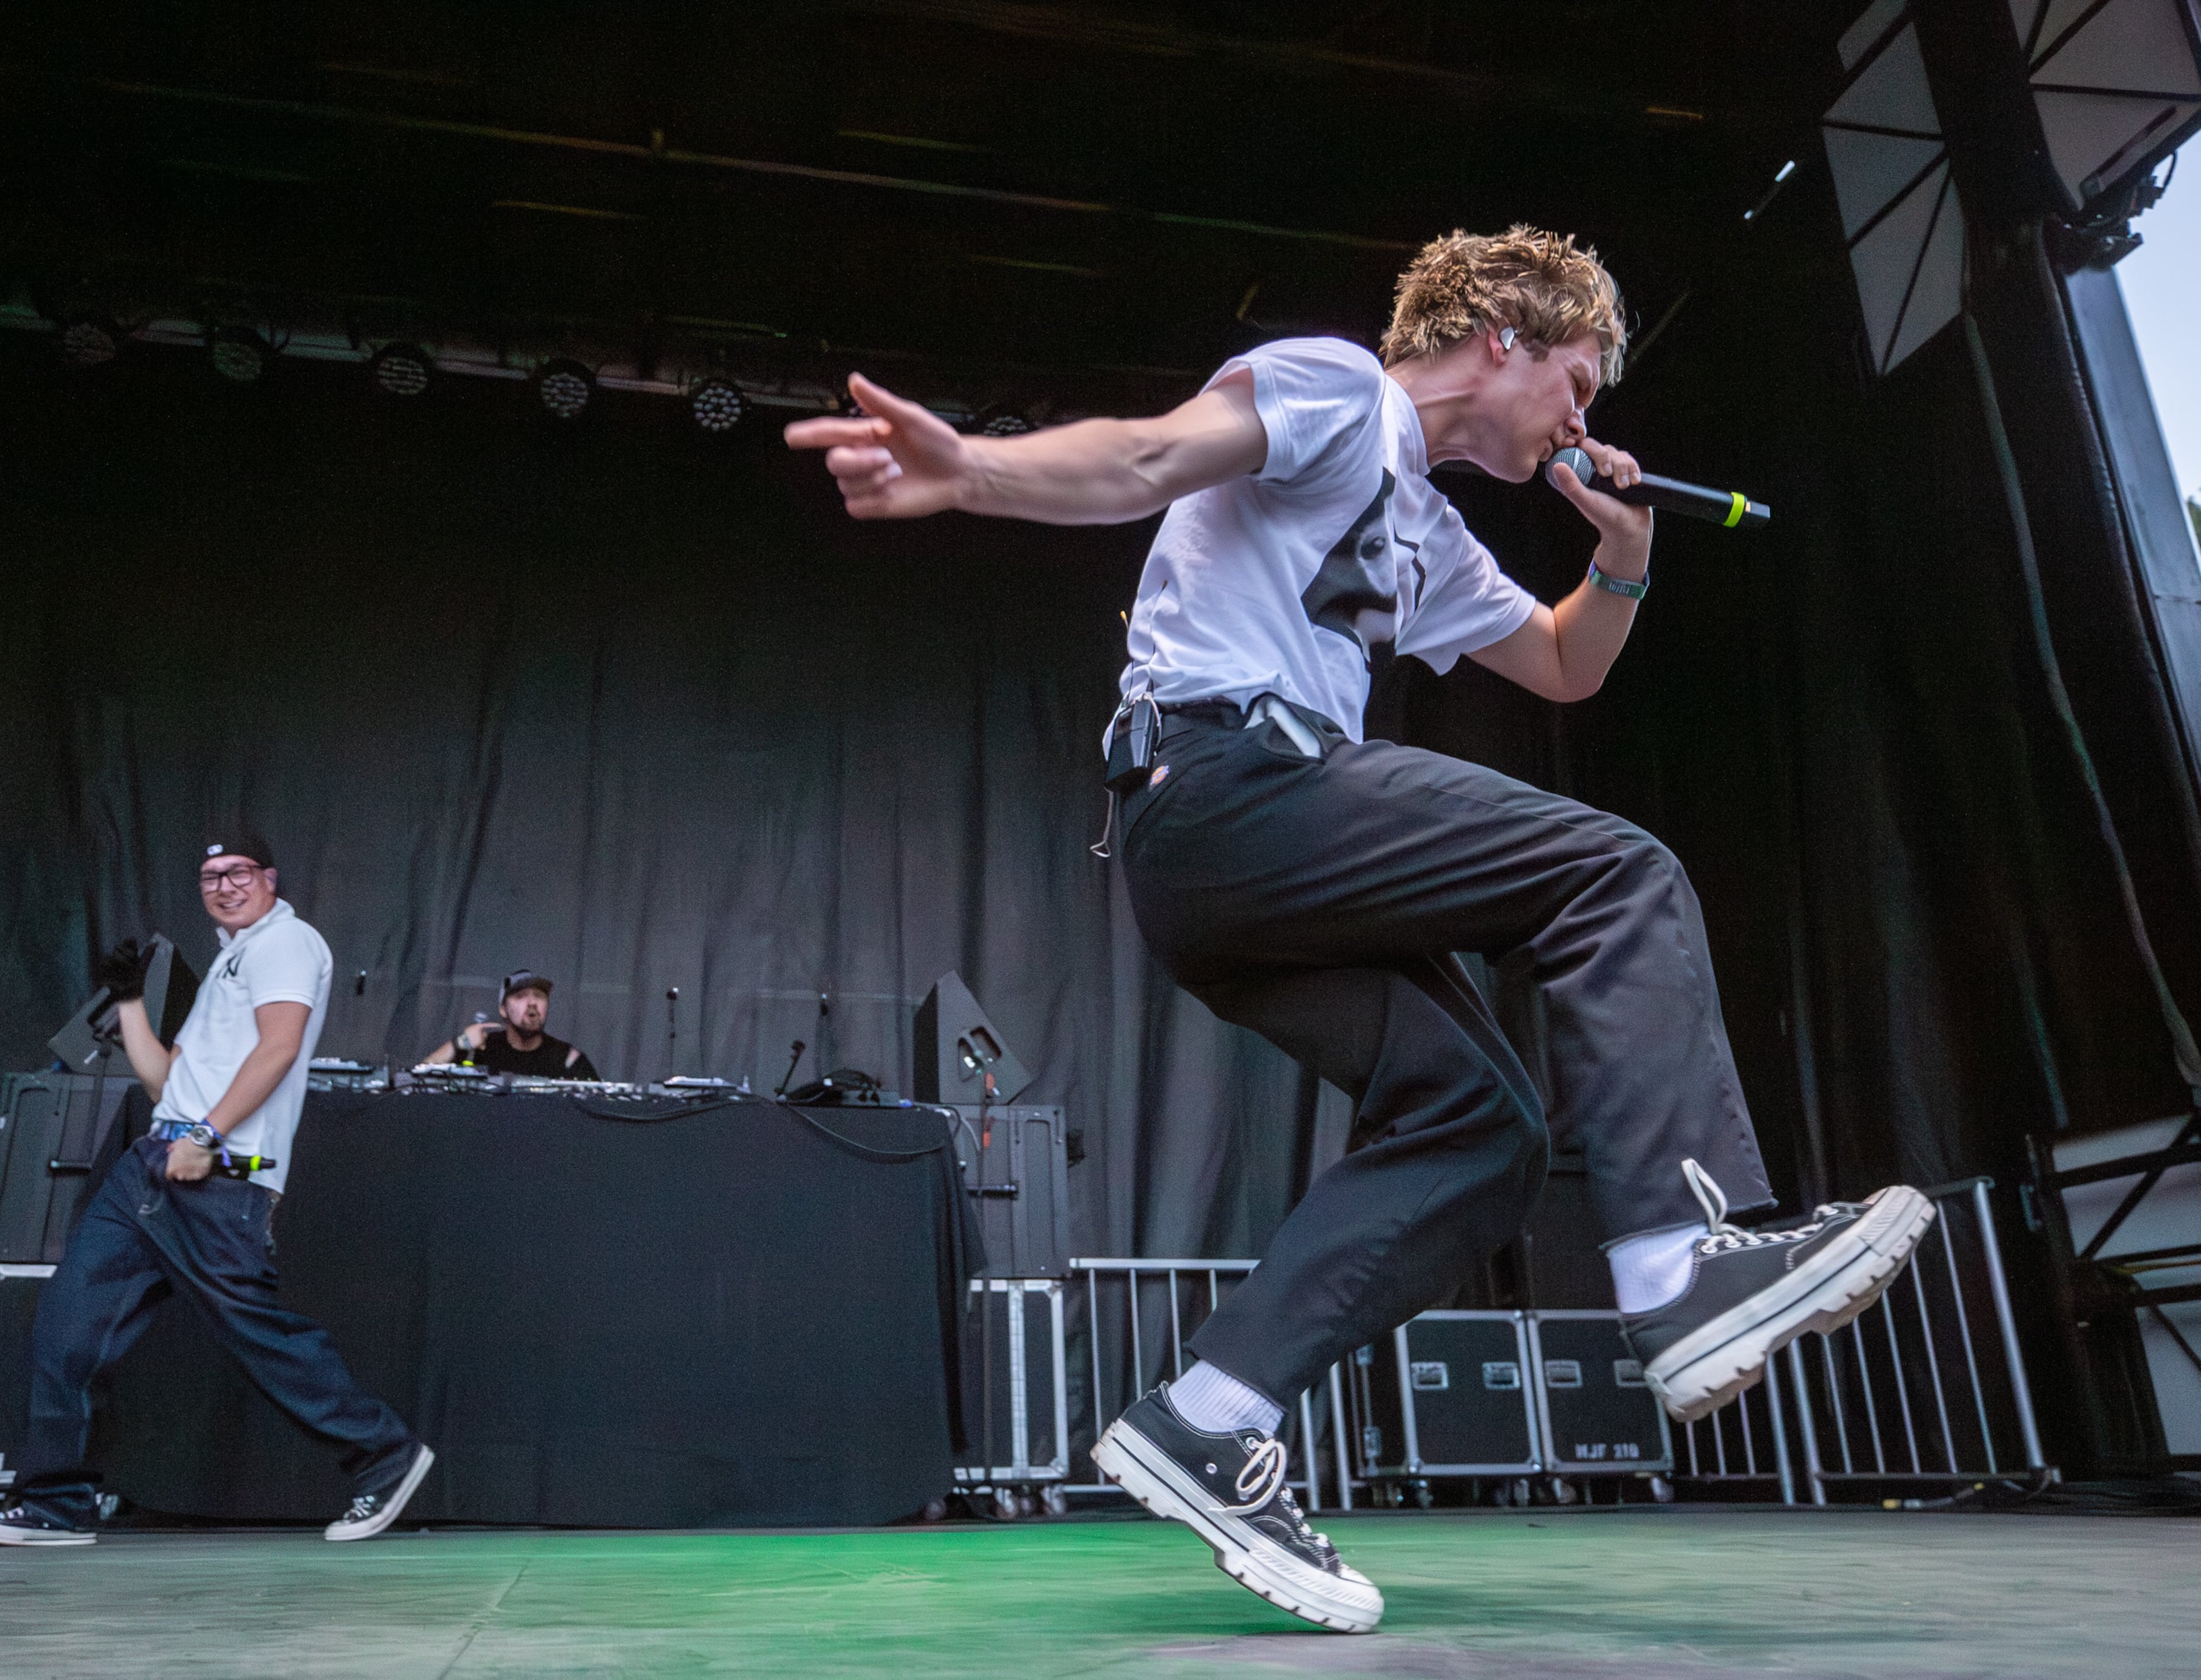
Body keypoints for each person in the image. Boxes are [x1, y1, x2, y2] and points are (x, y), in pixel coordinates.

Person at [788, 226, 1934, 1632]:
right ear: (1500, 336)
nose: (1585, 420)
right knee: (1616, 873)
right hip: (1229, 783)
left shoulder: (1425, 528)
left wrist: (1623, 556)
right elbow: (1152, 458)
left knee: (1481, 1125)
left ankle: (1214, 1412)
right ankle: (1683, 1265)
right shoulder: (1338, 390)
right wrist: (975, 469)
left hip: (1233, 867)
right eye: (1577, 380)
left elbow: (1564, 665)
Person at [0, 831, 434, 1547]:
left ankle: (386, 1457)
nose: (224, 885)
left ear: (270, 878)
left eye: (238, 872)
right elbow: (162, 1081)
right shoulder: (230, 959)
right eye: (210, 876)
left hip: (217, 1172)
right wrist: (127, 1001)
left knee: (257, 1333)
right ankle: (57, 1504)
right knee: (69, 1323)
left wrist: (206, 1137)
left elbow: (280, 1046)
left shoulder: (286, 943)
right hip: (154, 1163)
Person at [421, 970, 600, 1078]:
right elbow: (415, 1082)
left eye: (539, 996)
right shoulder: (479, 1050)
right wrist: (458, 1044)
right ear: (503, 1010)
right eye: (520, 996)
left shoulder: (567, 1058)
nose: (532, 1003)